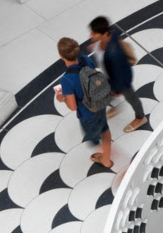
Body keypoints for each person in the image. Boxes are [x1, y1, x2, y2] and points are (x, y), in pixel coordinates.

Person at [56, 37, 113, 168]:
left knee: (93, 137)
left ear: (61, 56)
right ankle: (107, 158)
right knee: (105, 128)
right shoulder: (85, 59)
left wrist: (62, 98)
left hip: (88, 113)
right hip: (100, 101)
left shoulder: (66, 79)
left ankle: (105, 159)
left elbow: (72, 106)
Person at [89, 16, 147, 133]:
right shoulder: (110, 35)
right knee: (107, 91)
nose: (91, 35)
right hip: (110, 75)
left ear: (104, 33)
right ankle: (115, 107)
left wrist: (117, 89)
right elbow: (115, 31)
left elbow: (120, 75)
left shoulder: (114, 54)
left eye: (94, 33)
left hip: (122, 80)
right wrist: (96, 47)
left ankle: (140, 117)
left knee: (131, 98)